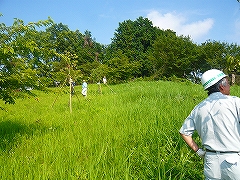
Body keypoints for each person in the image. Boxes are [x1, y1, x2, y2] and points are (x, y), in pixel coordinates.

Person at [179, 69, 240, 179]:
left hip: (211, 162)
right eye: (228, 83)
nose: (230, 86)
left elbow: (184, 132)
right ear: (222, 85)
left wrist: (198, 151)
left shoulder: (198, 108)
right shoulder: (235, 102)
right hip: (233, 161)